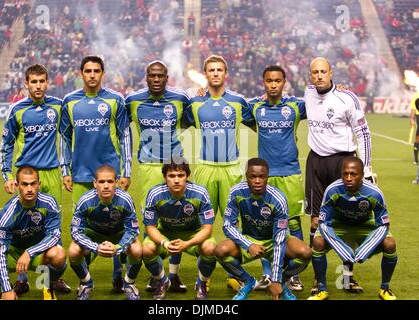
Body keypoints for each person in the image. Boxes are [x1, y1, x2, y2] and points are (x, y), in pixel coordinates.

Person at [60, 55, 132, 292]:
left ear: (103, 73)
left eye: (97, 71)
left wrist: (126, 170)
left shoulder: (114, 100)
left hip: (111, 174)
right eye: (88, 71)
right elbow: (65, 137)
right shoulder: (69, 101)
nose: (92, 75)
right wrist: (65, 169)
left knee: (116, 224)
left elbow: (125, 136)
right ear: (81, 73)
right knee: (84, 226)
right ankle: (86, 280)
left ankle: (118, 273)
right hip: (80, 174)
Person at [304, 57, 375, 294]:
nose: (320, 75)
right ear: (310, 75)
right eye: (315, 72)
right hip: (315, 163)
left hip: (343, 162)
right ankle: (318, 280)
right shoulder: (307, 93)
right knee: (315, 221)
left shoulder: (347, 97)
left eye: (324, 71)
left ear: (331, 72)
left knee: (344, 219)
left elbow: (363, 133)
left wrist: (365, 168)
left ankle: (347, 277)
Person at [0, 64, 70, 295]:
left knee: (51, 226)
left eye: (42, 81)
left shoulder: (58, 106)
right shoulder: (16, 109)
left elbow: (68, 138)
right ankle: (21, 279)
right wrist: (7, 175)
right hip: (26, 174)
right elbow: (6, 144)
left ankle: (48, 280)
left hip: (51, 173)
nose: (38, 86)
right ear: (26, 84)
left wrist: (66, 169)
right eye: (34, 82)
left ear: (48, 83)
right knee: (23, 226)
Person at [184, 54, 254, 291]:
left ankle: (235, 275)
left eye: (219, 70)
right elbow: (180, 122)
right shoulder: (195, 104)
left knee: (233, 225)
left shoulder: (237, 102)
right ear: (206, 75)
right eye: (211, 70)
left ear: (226, 74)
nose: (215, 73)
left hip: (231, 169)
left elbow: (257, 121)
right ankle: (202, 280)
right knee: (202, 225)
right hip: (205, 168)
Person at [125, 60, 191, 293]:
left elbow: (189, 120)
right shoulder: (133, 100)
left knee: (177, 218)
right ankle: (156, 274)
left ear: (166, 77)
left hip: (175, 165)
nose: (155, 79)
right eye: (152, 75)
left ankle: (173, 275)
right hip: (148, 166)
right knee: (150, 218)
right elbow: (121, 128)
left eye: (160, 76)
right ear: (146, 77)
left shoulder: (180, 98)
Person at [215, 158, 311, 300]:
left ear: (267, 177)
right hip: (249, 238)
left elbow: (279, 239)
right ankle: (248, 281)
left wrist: (276, 279)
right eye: (253, 177)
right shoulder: (236, 192)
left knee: (305, 253)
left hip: (274, 240)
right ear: (246, 177)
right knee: (220, 251)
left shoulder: (278, 199)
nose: (257, 181)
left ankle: (282, 283)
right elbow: (228, 225)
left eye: (261, 177)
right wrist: (249, 245)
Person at [248, 65, 307, 292]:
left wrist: (337, 89)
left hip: (290, 174)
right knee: (264, 225)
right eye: (269, 81)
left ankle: (292, 274)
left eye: (278, 81)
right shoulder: (255, 107)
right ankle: (266, 273)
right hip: (265, 177)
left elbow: (322, 101)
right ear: (263, 82)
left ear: (284, 82)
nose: (273, 85)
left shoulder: (295, 106)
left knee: (293, 222)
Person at [308, 157, 397, 300]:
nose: (348, 178)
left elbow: (383, 224)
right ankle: (321, 288)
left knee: (390, 244)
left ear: (362, 175)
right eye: (345, 174)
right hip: (338, 225)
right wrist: (342, 248)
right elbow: (324, 223)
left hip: (364, 225)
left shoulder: (375, 193)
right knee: (318, 243)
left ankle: (385, 288)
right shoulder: (332, 190)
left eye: (353, 174)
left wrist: (366, 248)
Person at [0, 166, 67, 300]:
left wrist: (30, 252)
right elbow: (0, 250)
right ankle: (5, 287)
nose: (29, 189)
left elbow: (54, 236)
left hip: (39, 254)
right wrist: (6, 289)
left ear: (38, 184)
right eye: (25, 184)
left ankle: (47, 285)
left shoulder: (49, 203)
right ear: (17, 186)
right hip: (14, 253)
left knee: (59, 254)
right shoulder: (8, 212)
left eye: (33, 183)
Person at [142, 159, 217, 300]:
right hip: (165, 234)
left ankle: (201, 283)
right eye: (171, 176)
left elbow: (207, 229)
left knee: (210, 247)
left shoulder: (200, 193)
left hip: (192, 234)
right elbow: (150, 227)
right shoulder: (155, 194)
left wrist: (187, 244)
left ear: (187, 176)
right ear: (165, 177)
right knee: (146, 249)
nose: (176, 180)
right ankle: (162, 281)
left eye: (180, 175)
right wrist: (165, 243)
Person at [68, 165, 142, 300]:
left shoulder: (125, 200)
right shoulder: (85, 201)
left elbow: (133, 230)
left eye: (110, 181)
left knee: (137, 249)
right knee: (73, 251)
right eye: (102, 182)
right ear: (95, 183)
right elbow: (75, 231)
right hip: (94, 235)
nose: (106, 186)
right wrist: (95, 247)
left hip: (118, 234)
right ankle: (86, 283)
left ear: (117, 182)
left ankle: (129, 283)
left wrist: (118, 247)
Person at [409, 91, 419, 166]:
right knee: (418, 138)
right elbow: (413, 109)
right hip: (418, 116)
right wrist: (412, 119)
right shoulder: (416, 96)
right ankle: (415, 159)